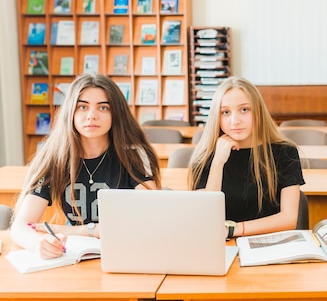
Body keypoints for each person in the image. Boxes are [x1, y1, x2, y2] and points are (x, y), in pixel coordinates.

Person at [11, 74, 161, 258]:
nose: (92, 116)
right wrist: (38, 243)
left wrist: (74, 231)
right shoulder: (54, 158)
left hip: (127, 252)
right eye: (82, 107)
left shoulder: (134, 154)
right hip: (74, 255)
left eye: (103, 107)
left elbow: (148, 219)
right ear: (71, 112)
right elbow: (20, 227)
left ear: (116, 113)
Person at [188, 76, 304, 238]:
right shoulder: (205, 158)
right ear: (217, 116)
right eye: (225, 112)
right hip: (221, 247)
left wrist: (233, 230)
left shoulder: (285, 153)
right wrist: (218, 163)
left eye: (244, 110)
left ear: (258, 111)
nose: (235, 121)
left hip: (270, 244)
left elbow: (289, 218)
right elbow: (205, 218)